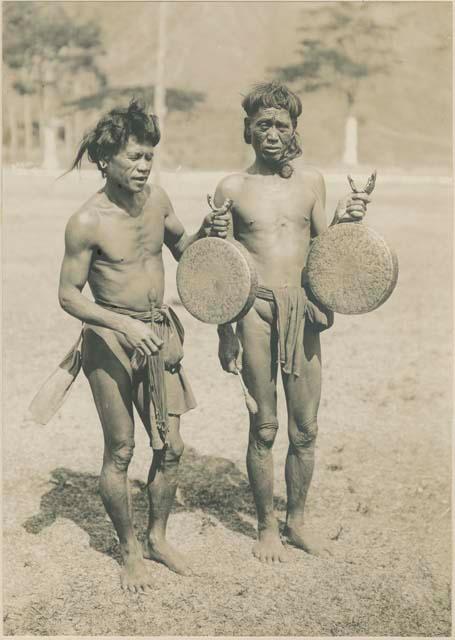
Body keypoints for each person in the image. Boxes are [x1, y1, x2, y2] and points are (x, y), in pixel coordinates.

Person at [38, 100, 230, 591]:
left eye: (149, 157)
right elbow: (67, 296)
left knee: (172, 446)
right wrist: (123, 328)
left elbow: (184, 250)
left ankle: (158, 538)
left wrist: (212, 231)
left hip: (158, 332)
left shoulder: (159, 200)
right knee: (121, 449)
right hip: (109, 340)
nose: (144, 167)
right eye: (134, 158)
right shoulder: (86, 221)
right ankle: (129, 551)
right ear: (106, 160)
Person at [214, 81, 370, 563]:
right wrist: (225, 333)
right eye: (263, 125)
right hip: (254, 311)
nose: (273, 133)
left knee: (305, 429)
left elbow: (323, 246)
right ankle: (265, 527)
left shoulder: (311, 183)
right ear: (248, 131)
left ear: (294, 131)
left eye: (282, 125)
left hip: (301, 312)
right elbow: (217, 265)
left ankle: (296, 520)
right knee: (264, 427)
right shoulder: (232, 188)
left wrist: (349, 220)